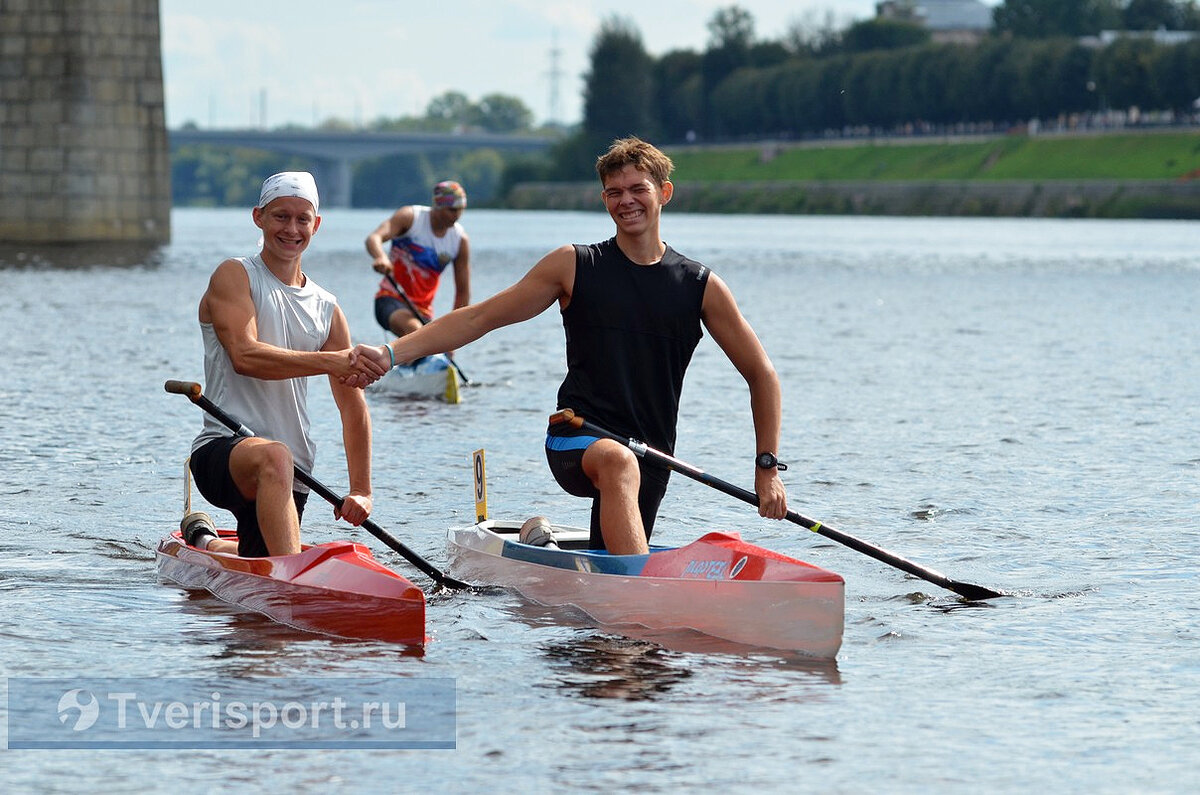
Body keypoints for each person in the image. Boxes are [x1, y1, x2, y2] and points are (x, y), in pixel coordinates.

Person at [362, 138, 788, 555]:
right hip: (577, 435)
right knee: (618, 463)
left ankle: (560, 557)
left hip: (654, 454)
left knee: (612, 587)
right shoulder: (575, 265)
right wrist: (392, 353)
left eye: (639, 189)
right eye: (615, 192)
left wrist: (766, 467)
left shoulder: (700, 286)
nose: (627, 201)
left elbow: (761, 374)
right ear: (604, 200)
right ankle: (640, 593)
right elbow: (479, 318)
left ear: (665, 193)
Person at [182, 171, 386, 558]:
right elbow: (245, 356)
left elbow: (352, 406)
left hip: (294, 472)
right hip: (225, 450)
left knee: (261, 560)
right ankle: (291, 580)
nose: (291, 228)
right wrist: (331, 361)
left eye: (302, 219)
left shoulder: (327, 307)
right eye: (280, 216)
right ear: (258, 217)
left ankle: (203, 542)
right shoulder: (235, 275)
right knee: (276, 455)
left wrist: (361, 489)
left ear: (316, 225)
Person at [366, 180, 471, 338]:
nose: (456, 216)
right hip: (391, 298)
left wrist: (453, 337)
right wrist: (381, 257)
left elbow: (463, 293)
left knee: (433, 344)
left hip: (423, 312)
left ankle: (406, 361)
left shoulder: (459, 240)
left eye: (460, 210)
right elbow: (374, 238)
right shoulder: (410, 217)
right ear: (438, 205)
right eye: (451, 210)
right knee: (415, 332)